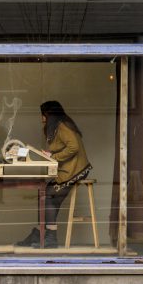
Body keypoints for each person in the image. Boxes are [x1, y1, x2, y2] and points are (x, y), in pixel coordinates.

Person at [17, 101, 92, 249]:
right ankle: (40, 233)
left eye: (43, 114)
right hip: (69, 169)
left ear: (49, 114)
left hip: (75, 170)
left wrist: (54, 156)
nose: (41, 118)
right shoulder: (59, 126)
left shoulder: (62, 126)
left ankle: (49, 237)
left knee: (48, 197)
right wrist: (51, 154)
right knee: (45, 194)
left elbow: (74, 147)